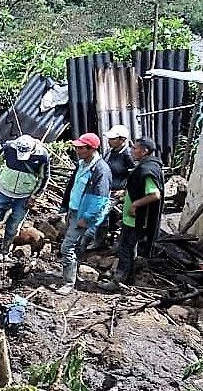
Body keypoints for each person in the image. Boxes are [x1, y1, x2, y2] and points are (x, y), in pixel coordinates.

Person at [99, 137, 164, 292]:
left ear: (144, 151)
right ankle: (128, 280)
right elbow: (139, 188)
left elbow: (155, 194)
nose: (132, 151)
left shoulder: (146, 170)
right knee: (129, 249)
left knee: (125, 250)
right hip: (132, 219)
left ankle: (117, 282)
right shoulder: (146, 166)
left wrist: (135, 204)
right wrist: (126, 195)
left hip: (136, 220)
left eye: (135, 148)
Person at [0, 134, 51, 260]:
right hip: (2, 192)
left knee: (13, 227)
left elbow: (44, 178)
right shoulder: (9, 147)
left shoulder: (42, 156)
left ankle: (5, 252)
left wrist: (34, 196)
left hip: (23, 197)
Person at [57, 133, 111, 295]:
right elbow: (73, 187)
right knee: (75, 246)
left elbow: (100, 199)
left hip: (83, 215)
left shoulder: (101, 170)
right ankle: (74, 275)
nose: (77, 150)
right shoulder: (82, 164)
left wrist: (86, 218)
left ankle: (68, 283)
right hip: (74, 211)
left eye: (81, 148)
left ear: (91, 149)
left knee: (66, 247)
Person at [92, 124, 135, 249]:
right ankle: (100, 241)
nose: (109, 141)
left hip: (118, 192)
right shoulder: (109, 152)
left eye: (112, 139)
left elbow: (134, 176)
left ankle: (109, 242)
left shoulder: (128, 155)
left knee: (104, 214)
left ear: (122, 140)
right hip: (105, 190)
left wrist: (124, 191)